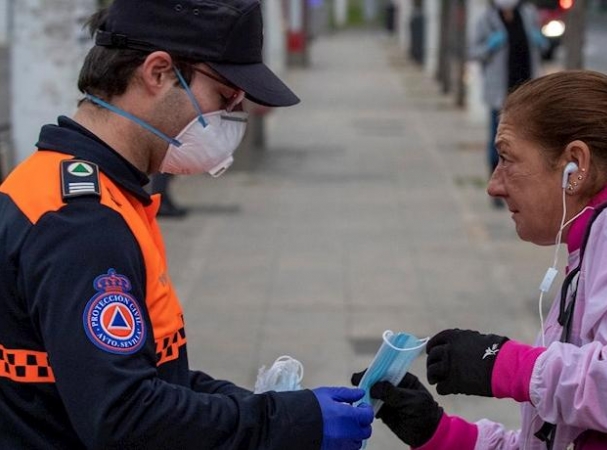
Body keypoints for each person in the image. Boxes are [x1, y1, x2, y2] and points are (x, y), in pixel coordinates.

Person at [0, 1, 372, 448]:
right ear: (158, 72)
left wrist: (279, 411)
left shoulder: (90, 189)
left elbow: (151, 371)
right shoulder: (80, 224)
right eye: (224, 98)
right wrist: (283, 423)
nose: (233, 119)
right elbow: (124, 416)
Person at [354, 70, 607, 449]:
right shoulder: (606, 235)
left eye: (507, 158)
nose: (494, 184)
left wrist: (508, 365)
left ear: (575, 165)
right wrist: (440, 433)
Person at [469, 0, 547, 208]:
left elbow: (543, 45)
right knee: (499, 143)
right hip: (500, 94)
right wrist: (490, 46)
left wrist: (539, 40)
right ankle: (498, 188)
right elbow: (474, 51)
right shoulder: (487, 18)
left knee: (528, 142)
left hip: (528, 92)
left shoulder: (528, 13)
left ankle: (526, 188)